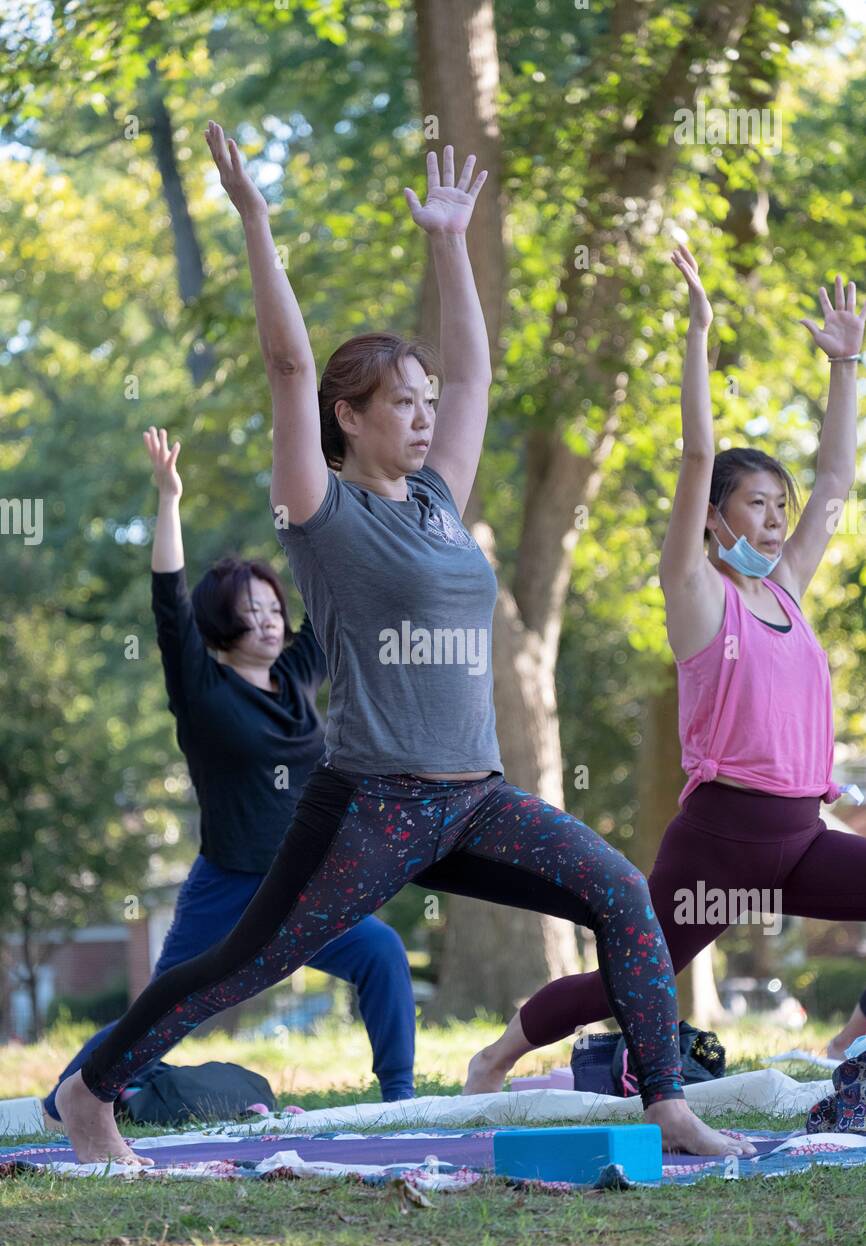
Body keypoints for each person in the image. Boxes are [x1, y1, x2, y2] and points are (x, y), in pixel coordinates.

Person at [55, 126, 750, 1164]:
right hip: (371, 802)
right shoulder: (320, 510)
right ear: (349, 414)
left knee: (618, 890)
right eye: (401, 405)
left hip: (475, 796)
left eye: (426, 405)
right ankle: (91, 1089)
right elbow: (287, 361)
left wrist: (449, 242)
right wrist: (254, 221)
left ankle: (666, 1106)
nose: (425, 418)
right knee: (246, 959)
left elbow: (472, 377)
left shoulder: (434, 499)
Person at [463, 246, 866, 1095]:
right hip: (720, 841)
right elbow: (693, 455)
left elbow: (835, 479)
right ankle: (498, 1054)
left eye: (777, 508)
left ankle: (847, 1051)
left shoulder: (786, 592)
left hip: (801, 837)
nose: (773, 520)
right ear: (715, 521)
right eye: (755, 504)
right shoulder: (695, 595)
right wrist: (696, 334)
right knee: (629, 978)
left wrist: (845, 365)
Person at [43, 425, 415, 1127]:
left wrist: (340, 486)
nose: (271, 622)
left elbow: (334, 595)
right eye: (253, 613)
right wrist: (168, 499)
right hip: (230, 888)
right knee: (166, 1013)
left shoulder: (298, 678)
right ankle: (63, 1099)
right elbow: (167, 599)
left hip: (305, 882)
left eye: (276, 609)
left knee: (382, 952)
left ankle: (399, 1098)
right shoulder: (202, 688)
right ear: (223, 624)